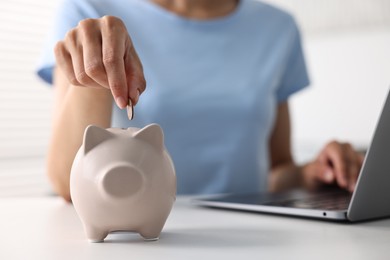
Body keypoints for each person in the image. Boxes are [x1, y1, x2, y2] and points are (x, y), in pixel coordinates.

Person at [37, 0, 363, 202]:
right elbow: (68, 183)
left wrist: (313, 174)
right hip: (140, 237)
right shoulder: (89, 13)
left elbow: (277, 170)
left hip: (253, 236)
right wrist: (96, 72)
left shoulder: (278, 28)